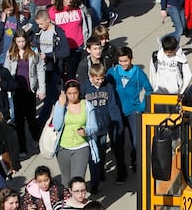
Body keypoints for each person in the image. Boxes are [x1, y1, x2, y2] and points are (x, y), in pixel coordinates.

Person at [107, 46, 152, 179]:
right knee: (118, 142)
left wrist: (141, 107)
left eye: (125, 61)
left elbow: (149, 90)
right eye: (120, 61)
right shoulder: (113, 72)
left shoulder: (138, 73)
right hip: (116, 112)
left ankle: (135, 161)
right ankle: (121, 170)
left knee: (136, 141)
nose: (123, 64)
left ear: (131, 59)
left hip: (133, 110)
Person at [4, 28, 46, 159]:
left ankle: (36, 138)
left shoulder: (33, 53)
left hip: (29, 90)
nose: (21, 44)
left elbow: (40, 70)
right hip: (17, 91)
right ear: (15, 41)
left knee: (32, 118)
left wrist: (41, 89)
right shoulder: (11, 53)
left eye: (23, 41)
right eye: (18, 41)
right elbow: (6, 71)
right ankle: (22, 146)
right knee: (19, 121)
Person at [80, 63, 122, 194]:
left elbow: (112, 105)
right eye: (97, 79)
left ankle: (100, 171)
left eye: (102, 78)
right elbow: (80, 104)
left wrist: (117, 121)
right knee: (94, 155)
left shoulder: (108, 87)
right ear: (91, 77)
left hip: (104, 127)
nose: (100, 81)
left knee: (102, 152)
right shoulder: (85, 87)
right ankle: (94, 183)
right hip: (91, 128)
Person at [52, 80, 99, 188]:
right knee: (66, 181)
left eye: (75, 93)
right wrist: (60, 105)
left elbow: (94, 127)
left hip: (81, 147)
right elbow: (57, 126)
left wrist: (86, 131)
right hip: (63, 148)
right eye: (69, 94)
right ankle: (69, 203)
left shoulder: (87, 105)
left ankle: (78, 203)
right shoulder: (61, 105)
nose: (72, 96)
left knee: (78, 181)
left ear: (79, 92)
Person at [33, 9, 71, 134]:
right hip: (40, 69)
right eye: (38, 24)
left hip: (54, 69)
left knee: (49, 98)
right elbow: (34, 45)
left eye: (41, 24)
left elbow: (65, 52)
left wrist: (48, 55)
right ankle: (56, 121)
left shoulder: (58, 33)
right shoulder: (38, 33)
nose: (39, 27)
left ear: (48, 20)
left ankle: (40, 124)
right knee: (52, 97)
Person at [49, 0, 92, 82]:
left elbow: (88, 21)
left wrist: (87, 37)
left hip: (78, 46)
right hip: (61, 47)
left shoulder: (79, 7)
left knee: (72, 74)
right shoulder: (53, 11)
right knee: (59, 73)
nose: (69, 0)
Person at [0, 0, 32, 66]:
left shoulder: (19, 16)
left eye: (11, 10)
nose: (8, 12)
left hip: (16, 53)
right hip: (3, 53)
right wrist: (2, 22)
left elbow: (27, 28)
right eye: (6, 10)